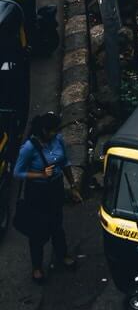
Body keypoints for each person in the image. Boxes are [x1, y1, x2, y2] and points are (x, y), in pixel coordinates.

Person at [13, 112, 82, 285]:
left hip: (55, 188)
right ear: (44, 130)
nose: (55, 133)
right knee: (37, 231)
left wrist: (73, 186)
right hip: (37, 192)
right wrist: (40, 174)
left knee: (57, 224)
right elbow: (18, 172)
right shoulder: (29, 148)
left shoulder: (57, 140)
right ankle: (37, 266)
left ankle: (62, 255)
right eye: (53, 131)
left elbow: (64, 162)